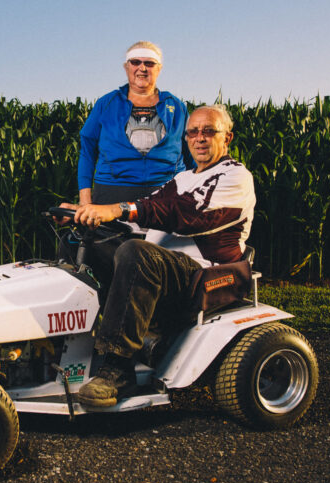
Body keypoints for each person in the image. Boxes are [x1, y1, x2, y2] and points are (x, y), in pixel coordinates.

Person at [68, 105, 256, 407]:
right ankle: (72, 343)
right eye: (193, 132)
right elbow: (142, 208)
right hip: (167, 268)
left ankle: (117, 369)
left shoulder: (236, 177)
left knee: (136, 252)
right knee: (85, 241)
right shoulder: (182, 179)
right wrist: (87, 214)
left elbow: (187, 216)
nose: (199, 139)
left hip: (201, 275)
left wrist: (119, 209)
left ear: (228, 138)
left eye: (209, 131)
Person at [77, 41, 193, 206]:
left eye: (149, 63)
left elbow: (192, 155)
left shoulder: (177, 106)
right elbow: (87, 152)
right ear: (126, 67)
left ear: (159, 68)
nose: (142, 68)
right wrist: (85, 200)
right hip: (112, 193)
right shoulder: (106, 103)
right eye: (135, 62)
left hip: (168, 193)